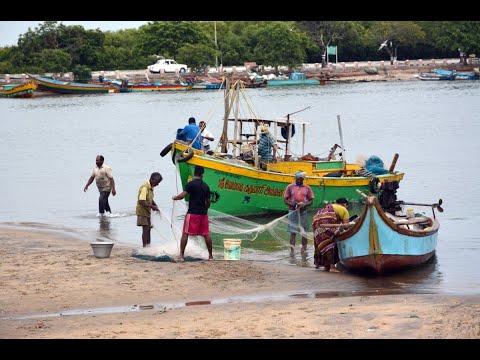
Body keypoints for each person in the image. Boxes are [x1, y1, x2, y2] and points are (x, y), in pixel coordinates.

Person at [172, 165, 213, 260]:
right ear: (202, 174)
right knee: (206, 234)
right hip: (203, 214)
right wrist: (205, 211)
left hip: (192, 213)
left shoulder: (191, 184)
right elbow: (208, 202)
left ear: (195, 173)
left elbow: (182, 196)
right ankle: (210, 256)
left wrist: (175, 197)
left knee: (185, 233)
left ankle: (181, 255)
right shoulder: (206, 186)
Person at [312, 197, 351, 272]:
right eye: (347, 206)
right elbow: (346, 226)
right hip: (327, 223)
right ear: (344, 204)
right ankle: (332, 267)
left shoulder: (328, 207)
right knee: (330, 243)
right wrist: (351, 225)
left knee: (322, 243)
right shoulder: (344, 210)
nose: (347, 207)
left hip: (316, 223)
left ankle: (326, 266)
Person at [283, 170, 314, 254]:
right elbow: (285, 200)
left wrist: (304, 204)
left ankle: (304, 250)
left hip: (303, 212)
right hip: (293, 211)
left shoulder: (307, 188)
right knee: (293, 232)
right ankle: (292, 251)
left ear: (303, 179)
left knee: (304, 232)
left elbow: (311, 201)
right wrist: (292, 204)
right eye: (298, 179)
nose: (299, 181)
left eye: (301, 179)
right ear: (295, 178)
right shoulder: (290, 187)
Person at [136, 172, 163, 247]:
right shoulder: (145, 187)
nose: (157, 184)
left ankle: (148, 245)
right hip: (142, 211)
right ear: (152, 179)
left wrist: (155, 205)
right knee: (145, 229)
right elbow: (141, 201)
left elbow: (150, 198)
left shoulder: (151, 186)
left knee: (149, 229)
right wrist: (152, 207)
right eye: (157, 182)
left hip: (147, 211)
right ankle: (145, 246)